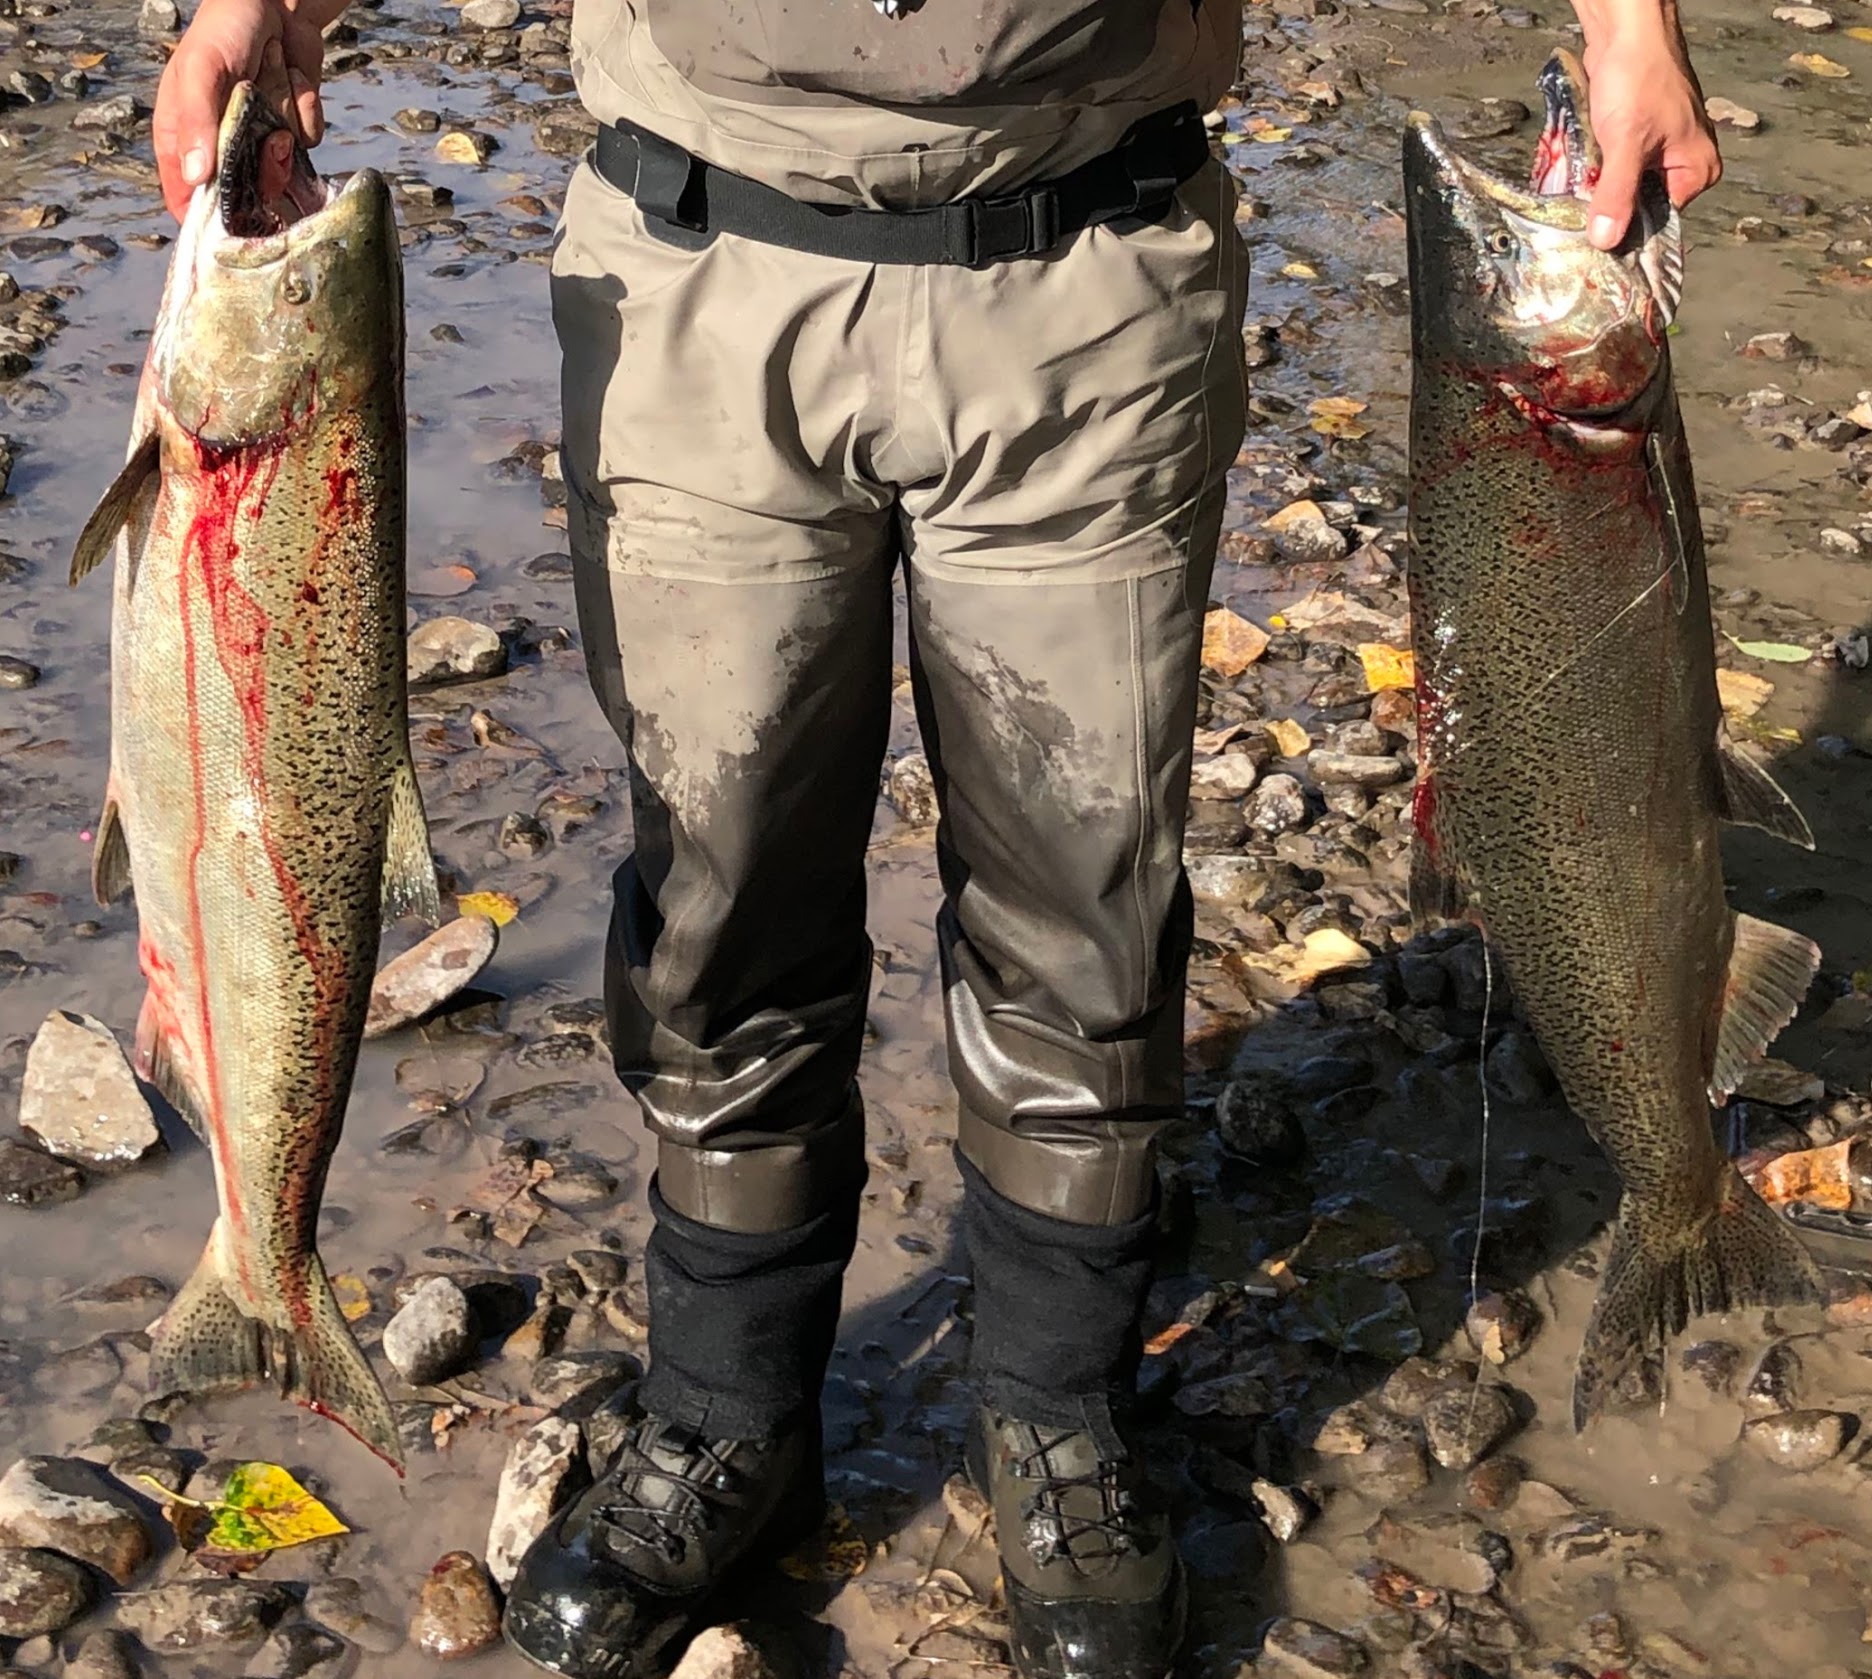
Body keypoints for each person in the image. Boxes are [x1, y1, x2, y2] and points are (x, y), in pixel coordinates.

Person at [154, 5, 1722, 1676]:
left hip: (1092, 263)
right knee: (717, 887)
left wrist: (1629, 24)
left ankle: (1055, 1413)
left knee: (1087, 893)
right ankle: (727, 1404)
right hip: (695, 263)